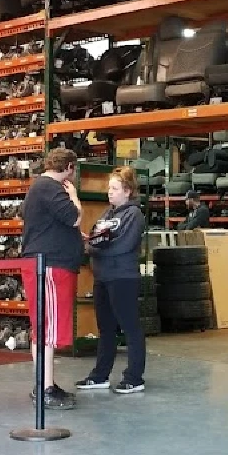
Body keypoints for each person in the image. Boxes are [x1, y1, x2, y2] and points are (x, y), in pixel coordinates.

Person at [20, 147, 83, 410]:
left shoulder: (40, 188)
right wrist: (74, 196)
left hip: (44, 264)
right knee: (47, 330)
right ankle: (45, 389)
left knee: (43, 329)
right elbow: (75, 217)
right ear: (69, 167)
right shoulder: (51, 187)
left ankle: (44, 384)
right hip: (50, 267)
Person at [76, 166, 146, 395]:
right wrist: (93, 245)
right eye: (109, 188)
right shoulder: (108, 213)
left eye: (115, 188)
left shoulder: (133, 215)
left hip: (123, 277)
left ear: (127, 191)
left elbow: (123, 246)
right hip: (103, 277)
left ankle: (134, 378)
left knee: (130, 327)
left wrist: (95, 249)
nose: (110, 192)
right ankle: (100, 375)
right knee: (105, 328)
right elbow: (96, 237)